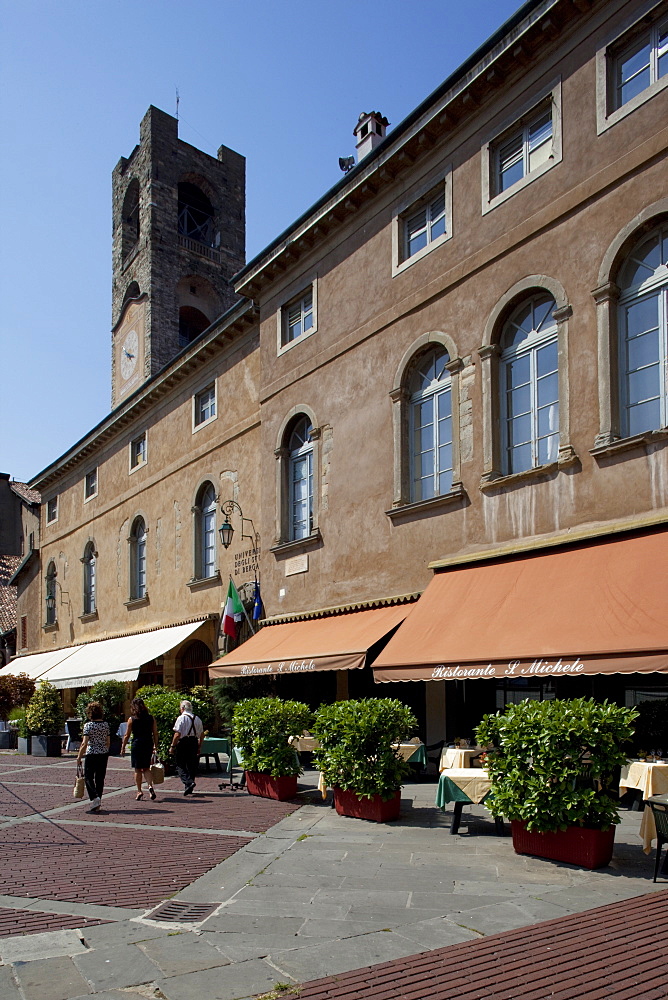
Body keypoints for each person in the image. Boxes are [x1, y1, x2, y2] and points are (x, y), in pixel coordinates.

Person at [120, 697, 159, 801]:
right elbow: (155, 733)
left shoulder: (132, 719)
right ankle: (150, 786)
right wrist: (156, 745)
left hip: (137, 744)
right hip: (148, 743)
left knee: (137, 768)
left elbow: (127, 735)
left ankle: (139, 790)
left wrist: (123, 747)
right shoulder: (151, 718)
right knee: (146, 767)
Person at [76, 701, 110, 813]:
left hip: (92, 753)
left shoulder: (88, 726)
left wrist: (79, 756)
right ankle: (98, 802)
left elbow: (84, 743)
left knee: (88, 777)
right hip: (103, 754)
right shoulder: (105, 725)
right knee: (100, 778)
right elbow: (108, 742)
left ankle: (95, 797)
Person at [170, 699, 203, 795]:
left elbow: (177, 734)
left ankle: (189, 782)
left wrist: (172, 746)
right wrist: (199, 746)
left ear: (183, 708)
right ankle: (189, 787)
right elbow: (201, 735)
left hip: (184, 742)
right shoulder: (197, 718)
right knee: (191, 765)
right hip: (193, 742)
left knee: (180, 764)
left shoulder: (181, 718)